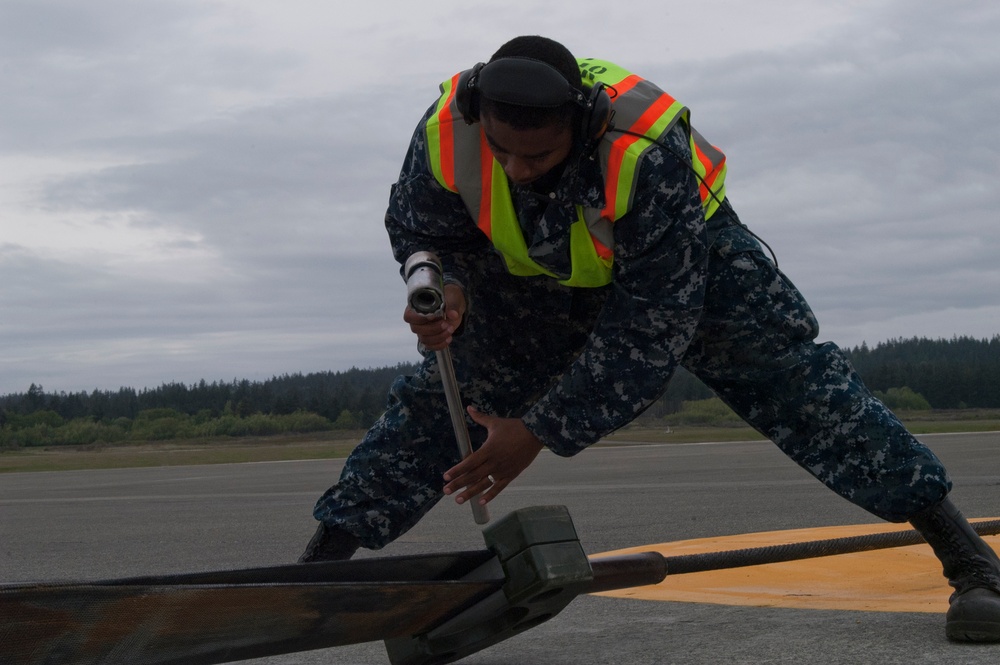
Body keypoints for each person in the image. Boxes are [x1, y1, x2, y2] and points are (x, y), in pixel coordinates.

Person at [300, 35, 1000, 642]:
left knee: (801, 388)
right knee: (447, 394)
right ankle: (316, 570)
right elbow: (423, 226)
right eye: (501, 149)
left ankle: (972, 566)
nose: (515, 168)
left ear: (582, 123)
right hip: (532, 273)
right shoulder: (447, 128)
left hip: (688, 257)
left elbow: (646, 333)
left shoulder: (641, 153)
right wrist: (445, 282)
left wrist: (537, 430)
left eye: (536, 154)